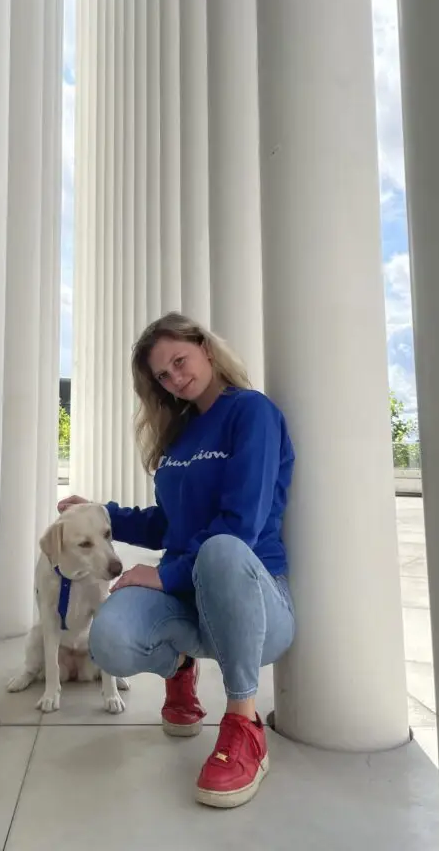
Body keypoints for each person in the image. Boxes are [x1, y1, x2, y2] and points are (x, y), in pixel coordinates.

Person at [57, 312, 295, 809]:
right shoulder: (179, 438)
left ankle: (243, 722)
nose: (174, 378)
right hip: (191, 601)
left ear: (205, 348)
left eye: (179, 361)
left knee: (222, 549)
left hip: (254, 601)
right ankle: (180, 664)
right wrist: (99, 513)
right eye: (162, 376)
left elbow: (241, 526)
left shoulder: (251, 412)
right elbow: (168, 525)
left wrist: (163, 574)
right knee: (109, 640)